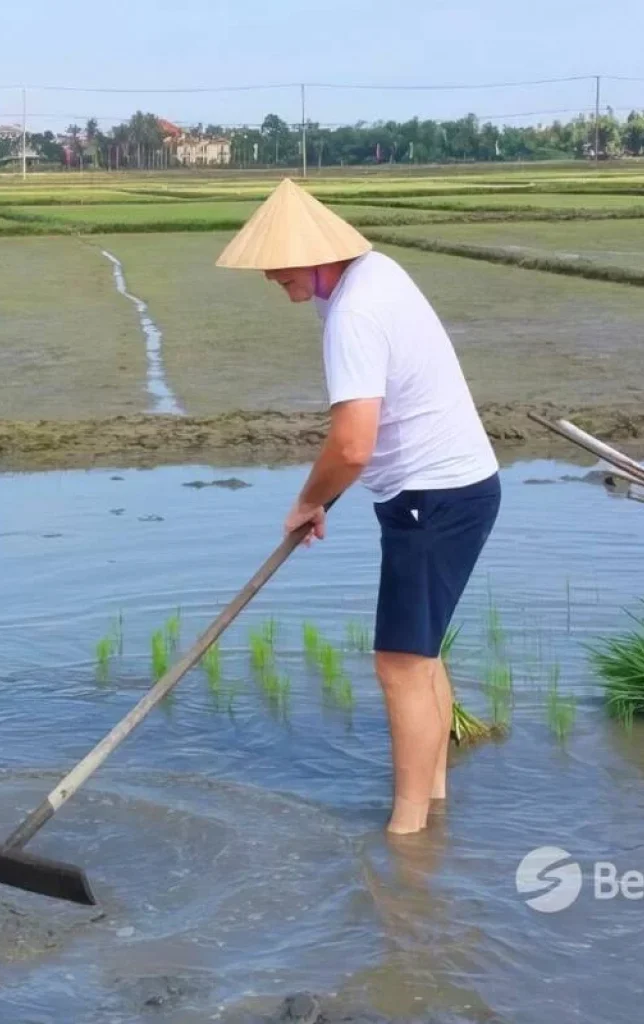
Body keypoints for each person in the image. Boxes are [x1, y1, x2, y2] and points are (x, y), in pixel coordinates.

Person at [217, 179, 501, 834]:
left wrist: (308, 500)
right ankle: (432, 805)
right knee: (421, 657)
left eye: (279, 263)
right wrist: (326, 498)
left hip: (431, 498)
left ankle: (407, 840)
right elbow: (364, 439)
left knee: (400, 666)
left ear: (318, 254)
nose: (270, 276)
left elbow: (351, 444)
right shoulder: (372, 275)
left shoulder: (352, 313)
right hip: (454, 489)